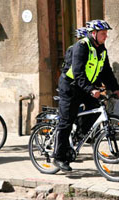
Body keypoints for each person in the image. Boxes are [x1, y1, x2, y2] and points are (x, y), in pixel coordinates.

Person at [53, 20, 119, 171]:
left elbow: (106, 72)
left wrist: (115, 88)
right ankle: (59, 157)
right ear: (93, 34)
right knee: (66, 122)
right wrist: (91, 89)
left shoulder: (101, 49)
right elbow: (78, 72)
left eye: (106, 33)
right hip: (70, 86)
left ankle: (77, 138)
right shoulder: (81, 47)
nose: (106, 36)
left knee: (94, 110)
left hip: (85, 87)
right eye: (103, 33)